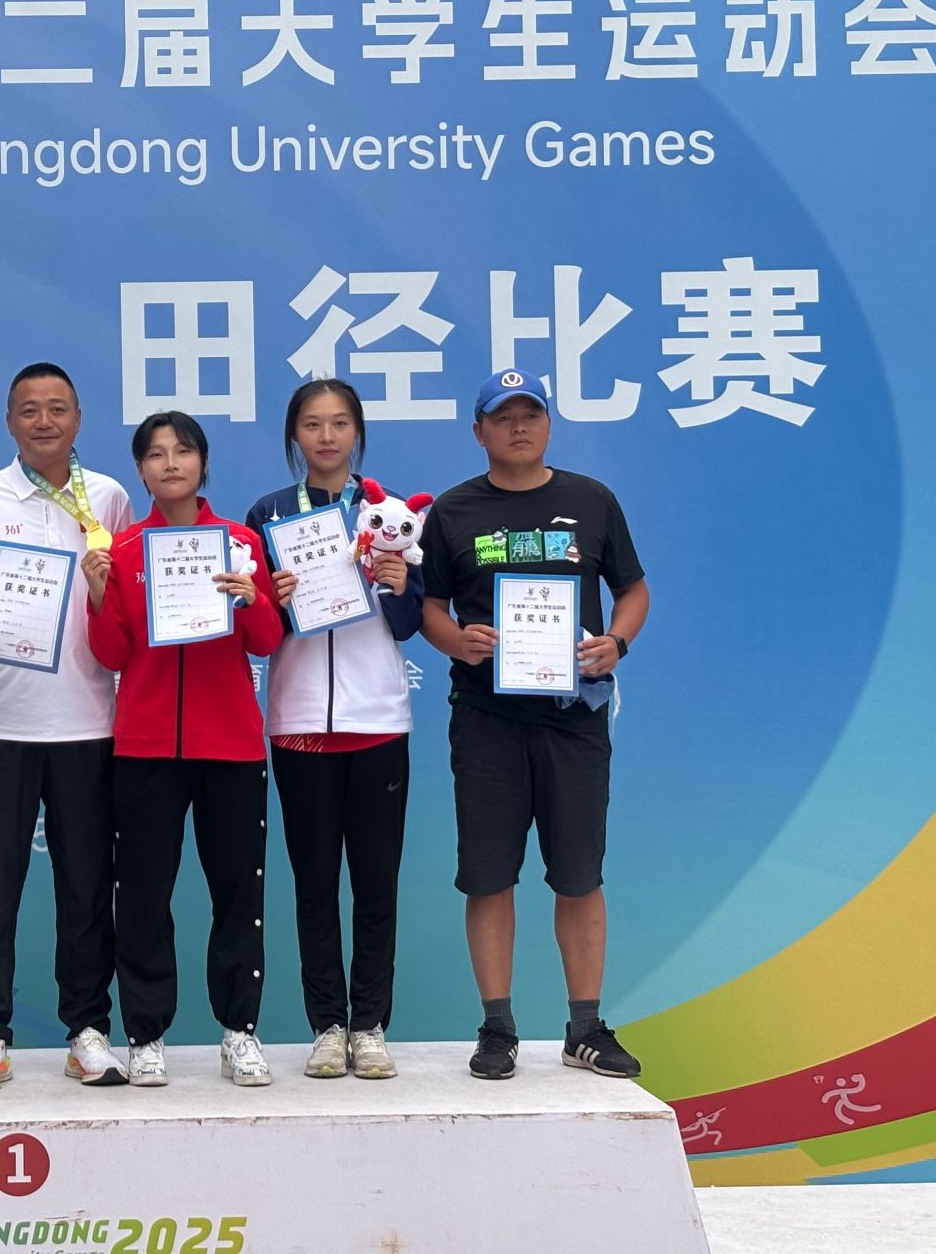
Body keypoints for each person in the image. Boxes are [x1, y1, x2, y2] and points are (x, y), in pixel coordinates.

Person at [416, 369, 650, 1081]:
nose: (518, 427)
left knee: (579, 876)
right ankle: (497, 1027)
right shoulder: (452, 511)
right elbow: (429, 607)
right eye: (502, 417)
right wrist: (456, 642)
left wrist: (616, 642)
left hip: (573, 720)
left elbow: (633, 588)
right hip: (485, 718)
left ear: (548, 424)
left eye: (531, 414)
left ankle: (585, 1028)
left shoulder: (591, 500)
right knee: (489, 877)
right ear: (479, 430)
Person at [0, 363, 134, 1091]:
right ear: (9, 422)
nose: (43, 421)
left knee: (87, 885)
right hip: (2, 723)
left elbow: (127, 606)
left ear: (78, 418)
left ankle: (88, 1031)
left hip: (90, 723)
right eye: (29, 410)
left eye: (57, 408)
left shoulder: (109, 498)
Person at [87, 411, 282, 1086]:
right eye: (156, 454)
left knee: (237, 892)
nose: (170, 463)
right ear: (140, 470)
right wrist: (99, 594)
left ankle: (239, 1032)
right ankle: (146, 1034)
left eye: (183, 451)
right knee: (143, 895)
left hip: (230, 744)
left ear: (202, 463)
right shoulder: (124, 548)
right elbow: (112, 653)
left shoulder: (239, 542)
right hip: (144, 746)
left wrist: (251, 598)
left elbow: (266, 641)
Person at [244, 379, 421, 1083]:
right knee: (313, 883)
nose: (326, 436)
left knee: (376, 884)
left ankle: (371, 1025)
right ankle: (327, 1025)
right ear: (295, 435)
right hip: (298, 724)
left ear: (358, 432)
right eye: (312, 424)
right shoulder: (269, 514)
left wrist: (397, 582)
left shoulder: (392, 513)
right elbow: (261, 629)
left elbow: (409, 624)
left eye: (339, 423)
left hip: (377, 720)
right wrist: (276, 600)